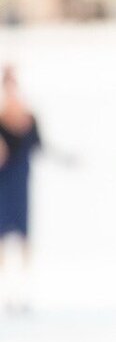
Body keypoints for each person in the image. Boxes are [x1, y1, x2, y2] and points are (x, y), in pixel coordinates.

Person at [0, 65, 42, 314]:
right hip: (4, 183)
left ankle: (24, 291)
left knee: (24, 238)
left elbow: (39, 145)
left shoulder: (28, 117)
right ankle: (6, 292)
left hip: (20, 181)